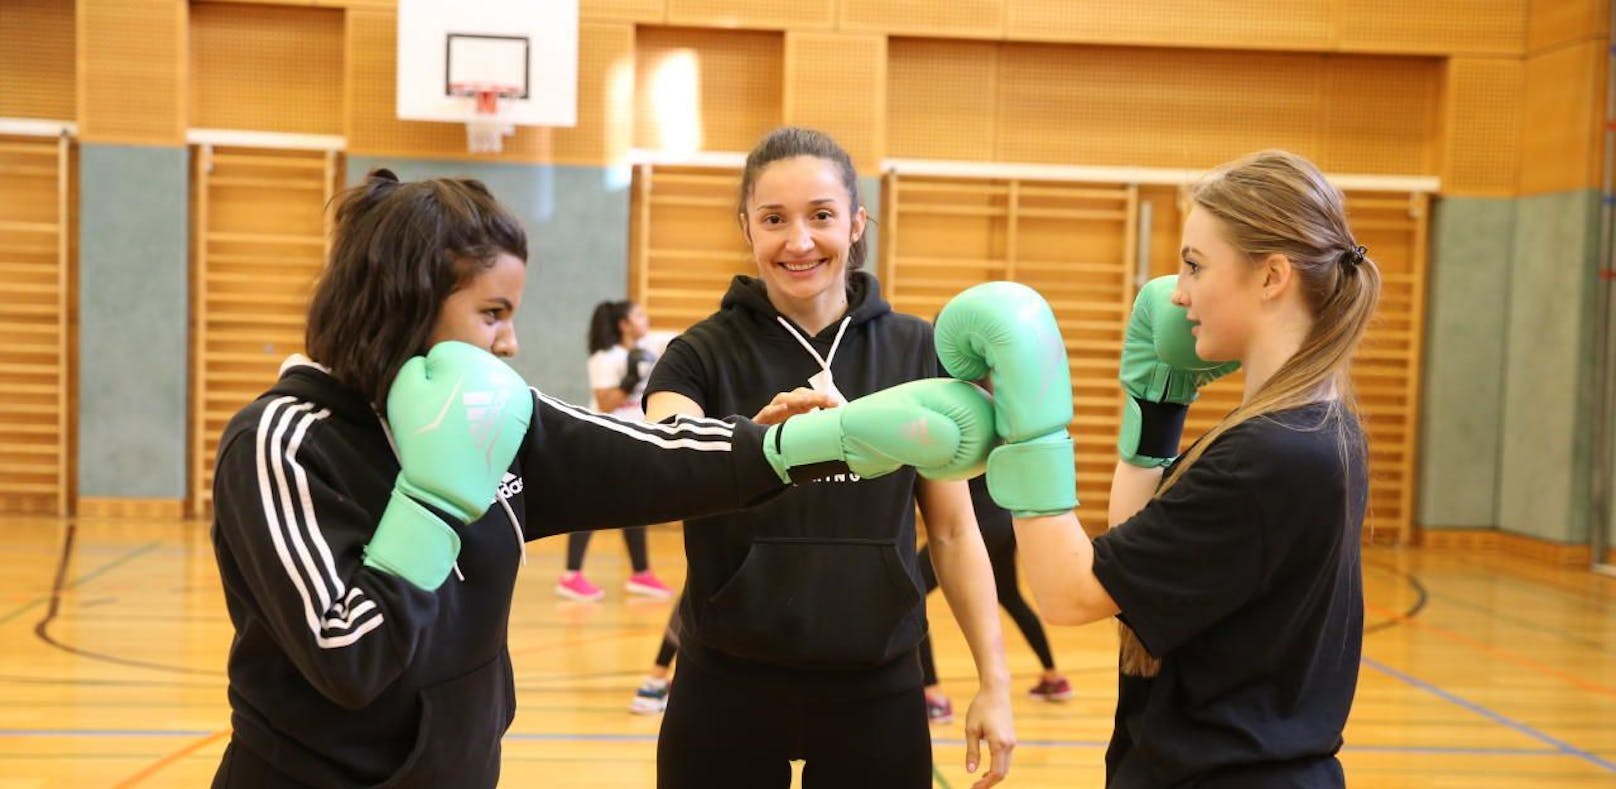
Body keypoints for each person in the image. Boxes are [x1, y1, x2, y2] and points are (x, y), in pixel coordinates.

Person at [208, 169, 998, 788]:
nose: (512, 342)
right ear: (408, 300)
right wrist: (431, 496)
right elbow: (351, 654)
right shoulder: (282, 442)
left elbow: (647, 455)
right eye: (492, 313)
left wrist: (819, 440)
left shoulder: (499, 416)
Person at [935, 149, 1376, 787]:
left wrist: (1025, 424)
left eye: (1195, 265)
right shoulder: (1313, 428)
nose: (1178, 293)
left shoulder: (1268, 456)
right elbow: (1136, 563)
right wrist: (1158, 406)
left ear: (1272, 276)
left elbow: (1069, 591)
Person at [644, 126, 1015, 789]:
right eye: (774, 218)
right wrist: (756, 445)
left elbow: (955, 531)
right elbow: (670, 457)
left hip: (876, 685)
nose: (799, 240)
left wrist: (995, 681)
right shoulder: (697, 355)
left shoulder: (916, 351)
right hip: (725, 684)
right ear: (746, 226)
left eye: (821, 215)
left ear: (856, 222)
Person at [915, 473, 1071, 724]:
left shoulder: (956, 434)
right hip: (1003, 520)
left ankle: (933, 696)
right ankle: (1053, 677)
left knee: (913, 594)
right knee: (1010, 596)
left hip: (973, 525)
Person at [555, 299, 674, 602]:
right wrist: (631, 379)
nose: (645, 319)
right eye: (638, 315)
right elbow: (607, 403)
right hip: (604, 438)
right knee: (589, 507)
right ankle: (571, 576)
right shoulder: (605, 357)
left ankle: (641, 574)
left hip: (633, 437)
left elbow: (680, 337)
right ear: (624, 324)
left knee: (634, 505)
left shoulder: (647, 345)